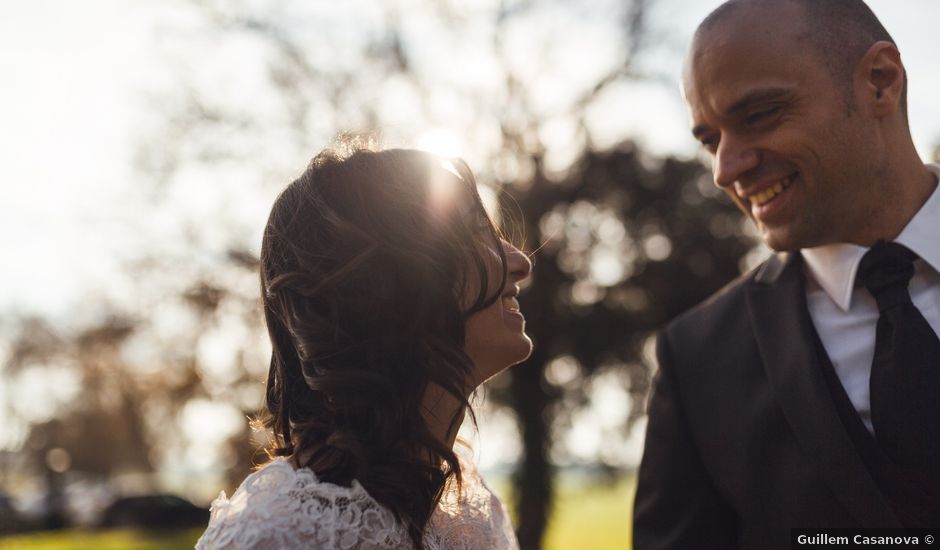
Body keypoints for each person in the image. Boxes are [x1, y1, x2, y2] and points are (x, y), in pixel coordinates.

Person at [633, 0, 940, 548]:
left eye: (758, 116)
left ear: (879, 82)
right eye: (710, 140)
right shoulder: (696, 360)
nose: (724, 170)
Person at [196, 141, 532, 549]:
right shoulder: (274, 537)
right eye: (479, 234)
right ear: (397, 282)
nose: (521, 262)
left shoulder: (476, 517)